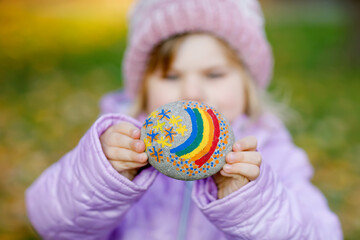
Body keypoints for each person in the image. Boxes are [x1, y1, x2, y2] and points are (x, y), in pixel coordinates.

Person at [26, 0, 343, 239]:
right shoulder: (118, 146)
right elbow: (49, 222)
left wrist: (249, 201)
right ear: (143, 87)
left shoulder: (273, 155)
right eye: (171, 75)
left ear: (248, 87)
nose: (192, 91)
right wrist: (105, 175)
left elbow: (320, 233)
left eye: (214, 74)